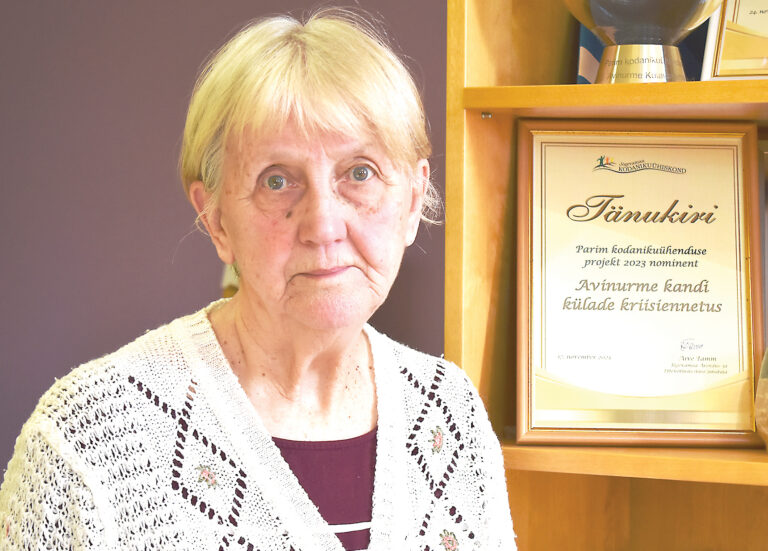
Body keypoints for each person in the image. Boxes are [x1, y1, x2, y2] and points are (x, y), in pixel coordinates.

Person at [0, 9, 515, 550]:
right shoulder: (86, 440)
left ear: (411, 200)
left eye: (359, 173)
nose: (323, 226)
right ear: (216, 220)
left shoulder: (450, 413)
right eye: (277, 181)